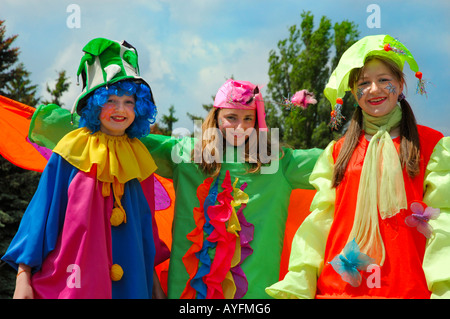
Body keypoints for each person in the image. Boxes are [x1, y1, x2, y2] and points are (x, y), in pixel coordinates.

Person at [25, 78, 322, 298]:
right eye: (231, 117)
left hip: (254, 295)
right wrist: (58, 123)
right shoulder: (189, 154)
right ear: (216, 118)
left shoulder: (277, 161)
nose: (240, 127)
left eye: (249, 119)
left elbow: (334, 162)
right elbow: (124, 137)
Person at [266, 34, 450, 299]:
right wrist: (300, 279)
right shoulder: (337, 152)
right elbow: (320, 222)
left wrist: (443, 288)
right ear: (353, 92)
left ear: (400, 84)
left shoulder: (433, 147)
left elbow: (442, 223)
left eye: (384, 80)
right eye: (364, 83)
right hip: (339, 289)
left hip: (408, 288)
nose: (374, 89)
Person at [2, 38, 168, 299]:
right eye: (110, 100)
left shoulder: (139, 156)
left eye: (128, 102)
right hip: (74, 282)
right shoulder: (72, 148)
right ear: (95, 104)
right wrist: (23, 276)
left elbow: (145, 228)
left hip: (133, 284)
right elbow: (44, 213)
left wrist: (153, 280)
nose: (120, 110)